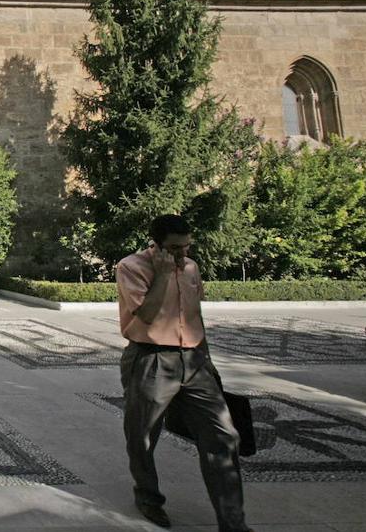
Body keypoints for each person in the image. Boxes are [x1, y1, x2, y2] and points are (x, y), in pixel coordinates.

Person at [117, 214, 252, 532]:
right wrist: (163, 275)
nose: (183, 254)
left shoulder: (191, 268)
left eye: (186, 246)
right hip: (151, 358)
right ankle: (148, 497)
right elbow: (147, 315)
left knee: (223, 436)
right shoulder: (131, 267)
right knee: (142, 436)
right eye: (175, 248)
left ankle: (234, 523)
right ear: (157, 245)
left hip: (194, 360)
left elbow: (194, 315)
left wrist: (207, 360)